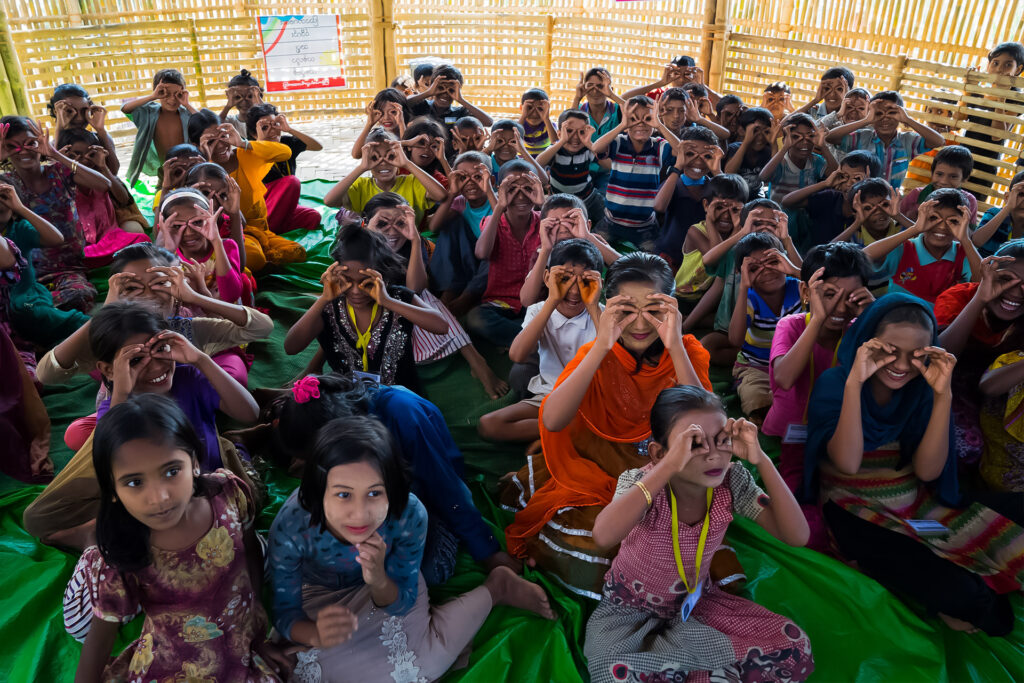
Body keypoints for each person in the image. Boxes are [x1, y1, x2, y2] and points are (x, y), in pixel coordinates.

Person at [268, 415, 554, 682]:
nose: (360, 514)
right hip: (318, 594)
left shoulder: (408, 514)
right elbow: (284, 610)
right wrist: (313, 633)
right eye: (343, 494)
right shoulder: (293, 523)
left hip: (388, 580)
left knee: (418, 664)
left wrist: (379, 578)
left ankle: (496, 589)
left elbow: (401, 600)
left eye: (374, 493)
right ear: (319, 492)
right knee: (300, 668)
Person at [806, 293, 1022, 636]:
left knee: (1016, 507)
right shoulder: (835, 384)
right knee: (965, 595)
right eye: (890, 350)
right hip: (854, 510)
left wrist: (942, 395)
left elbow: (927, 472)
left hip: (916, 501)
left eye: (916, 355)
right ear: (866, 343)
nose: (902, 366)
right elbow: (847, 463)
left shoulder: (921, 388)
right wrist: (854, 383)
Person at [503, 252, 712, 597]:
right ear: (609, 307)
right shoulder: (597, 351)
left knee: (668, 540)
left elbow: (703, 428)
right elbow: (553, 420)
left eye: (655, 311)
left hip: (663, 466)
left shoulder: (687, 351)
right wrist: (602, 344)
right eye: (627, 310)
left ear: (672, 309)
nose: (641, 324)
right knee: (597, 542)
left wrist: (675, 344)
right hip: (596, 464)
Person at [585, 385, 813, 683]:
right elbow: (604, 535)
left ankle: (686, 666)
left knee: (795, 646)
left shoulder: (732, 482)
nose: (713, 456)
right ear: (660, 452)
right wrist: (666, 467)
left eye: (722, 441)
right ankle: (700, 668)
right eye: (694, 444)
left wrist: (762, 460)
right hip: (629, 614)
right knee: (615, 672)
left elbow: (797, 535)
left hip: (698, 606)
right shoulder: (642, 483)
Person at [68, 394, 287, 681]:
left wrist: (256, 631)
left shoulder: (228, 493)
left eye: (172, 471)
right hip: (171, 666)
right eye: (134, 482)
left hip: (240, 647)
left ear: (195, 462)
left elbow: (250, 551)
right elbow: (98, 642)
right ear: (112, 491)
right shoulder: (120, 557)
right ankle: (86, 544)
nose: (159, 497)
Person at [23, 299, 262, 550]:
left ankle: (95, 531)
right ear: (108, 369)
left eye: (161, 349)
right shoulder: (114, 405)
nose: (156, 366)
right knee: (37, 517)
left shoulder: (188, 378)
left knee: (188, 523)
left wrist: (201, 359)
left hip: (201, 489)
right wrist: (122, 392)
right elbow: (108, 458)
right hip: (146, 493)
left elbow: (250, 412)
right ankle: (98, 529)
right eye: (136, 360)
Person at [247, 372, 519, 583]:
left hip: (422, 493)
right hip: (377, 494)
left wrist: (489, 553)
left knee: (429, 571)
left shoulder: (403, 416)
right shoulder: (332, 413)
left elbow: (446, 488)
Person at [764, 243, 874, 547]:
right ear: (805, 292)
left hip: (834, 439)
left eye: (850, 298)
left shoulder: (858, 332)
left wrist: (871, 318)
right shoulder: (791, 325)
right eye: (829, 295)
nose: (840, 308)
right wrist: (817, 318)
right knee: (798, 511)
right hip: (790, 438)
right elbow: (784, 378)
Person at [360, 192, 507, 398]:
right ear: (365, 224)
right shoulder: (356, 248)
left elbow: (416, 288)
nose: (392, 231)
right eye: (382, 224)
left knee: (426, 298)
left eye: (400, 223)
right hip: (373, 320)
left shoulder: (413, 241)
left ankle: (477, 362)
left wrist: (413, 240)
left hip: (410, 311)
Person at [283, 222, 448, 391]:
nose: (356, 291)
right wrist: (323, 299)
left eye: (365, 282)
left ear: (382, 275)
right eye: (347, 280)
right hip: (347, 400)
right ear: (336, 274)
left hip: (400, 398)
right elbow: (291, 347)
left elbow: (441, 326)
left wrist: (387, 302)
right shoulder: (330, 305)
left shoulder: (398, 297)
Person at [478, 238, 603, 443]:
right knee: (488, 425)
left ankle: (565, 431)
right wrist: (552, 300)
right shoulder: (539, 310)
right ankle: (568, 430)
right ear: (548, 278)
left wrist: (592, 305)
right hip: (549, 395)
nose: (573, 291)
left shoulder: (602, 316)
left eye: (585, 282)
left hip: (591, 402)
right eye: (564, 279)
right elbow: (517, 355)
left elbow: (614, 358)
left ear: (598, 284)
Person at [0, 116, 110, 313]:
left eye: (30, 143)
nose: (24, 151)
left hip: (68, 269)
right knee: (19, 306)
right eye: (12, 146)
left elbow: (104, 184)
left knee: (78, 296)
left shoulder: (59, 172)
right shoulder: (6, 184)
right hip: (25, 273)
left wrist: (54, 154)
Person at [936, 243, 1024, 471]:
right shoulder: (960, 297)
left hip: (1000, 400)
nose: (1015, 292)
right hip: (946, 387)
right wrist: (980, 300)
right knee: (965, 448)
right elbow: (941, 357)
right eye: (1006, 279)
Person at [188, 109, 306, 271]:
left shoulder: (243, 154)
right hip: (223, 233)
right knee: (253, 258)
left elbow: (285, 152)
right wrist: (205, 159)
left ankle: (259, 257)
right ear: (196, 145)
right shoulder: (198, 171)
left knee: (297, 253)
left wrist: (243, 142)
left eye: (223, 137)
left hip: (256, 229)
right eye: (211, 142)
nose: (221, 145)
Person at [0, 182, 89, 348]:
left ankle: (91, 328)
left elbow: (56, 239)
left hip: (25, 296)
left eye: (3, 197)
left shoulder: (19, 229)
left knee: (33, 313)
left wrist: (21, 208)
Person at [465, 162, 544, 348]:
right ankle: (534, 341)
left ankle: (520, 340)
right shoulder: (493, 221)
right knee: (476, 318)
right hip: (501, 303)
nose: (520, 195)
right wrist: (500, 206)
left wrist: (543, 204)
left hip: (537, 302)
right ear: (500, 190)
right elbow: (482, 253)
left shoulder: (545, 220)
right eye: (512, 189)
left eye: (528, 188)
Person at [728, 232, 803, 424]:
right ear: (742, 273)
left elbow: (826, 286)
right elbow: (735, 340)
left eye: (772, 262)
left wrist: (793, 269)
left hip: (795, 362)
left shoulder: (800, 288)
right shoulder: (750, 298)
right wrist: (743, 287)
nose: (766, 271)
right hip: (756, 366)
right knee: (757, 401)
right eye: (754, 268)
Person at [862, 189, 981, 302]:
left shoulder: (964, 253)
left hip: (942, 322)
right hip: (897, 317)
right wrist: (916, 229)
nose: (942, 227)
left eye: (953, 221)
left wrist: (965, 239)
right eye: (933, 218)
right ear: (922, 217)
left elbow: (984, 282)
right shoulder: (905, 248)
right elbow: (863, 256)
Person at [591, 96, 679, 248]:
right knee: (593, 250)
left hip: (644, 226)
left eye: (647, 118)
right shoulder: (618, 142)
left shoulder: (658, 146)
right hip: (611, 221)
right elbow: (596, 148)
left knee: (652, 262)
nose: (640, 123)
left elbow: (681, 151)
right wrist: (622, 125)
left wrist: (659, 125)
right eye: (633, 119)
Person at [56, 128, 150, 267]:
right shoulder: (59, 179)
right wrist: (65, 164)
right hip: (82, 246)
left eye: (90, 154)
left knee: (141, 239)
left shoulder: (101, 176)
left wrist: (104, 167)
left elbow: (123, 199)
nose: (83, 159)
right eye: (76, 155)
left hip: (111, 239)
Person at [324, 128, 447, 225]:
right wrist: (361, 168)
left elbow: (442, 196)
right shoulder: (361, 186)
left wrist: (407, 164)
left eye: (390, 157)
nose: (383, 162)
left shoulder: (412, 182)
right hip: (374, 245)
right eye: (374, 158)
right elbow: (329, 201)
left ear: (399, 157)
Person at [826, 91, 945, 189]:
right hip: (858, 197)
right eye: (878, 113)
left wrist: (908, 120)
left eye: (892, 113)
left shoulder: (907, 142)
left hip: (887, 202)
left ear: (901, 114)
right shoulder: (862, 137)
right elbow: (830, 137)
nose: (885, 118)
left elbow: (938, 141)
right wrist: (866, 120)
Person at [673, 174, 748, 326]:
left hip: (711, 298)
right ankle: (689, 322)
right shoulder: (695, 231)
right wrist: (710, 221)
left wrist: (737, 231)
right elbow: (716, 260)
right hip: (684, 296)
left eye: (734, 210)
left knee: (731, 317)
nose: (726, 215)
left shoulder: (741, 234)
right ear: (706, 205)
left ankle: (691, 320)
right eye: (719, 207)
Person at [156, 188, 251, 307]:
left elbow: (230, 296)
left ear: (211, 220)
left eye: (197, 222)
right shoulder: (167, 254)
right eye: (177, 225)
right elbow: (159, 297)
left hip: (223, 318)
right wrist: (168, 251)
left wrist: (216, 241)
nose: (189, 233)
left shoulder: (227, 247)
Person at [428, 151, 493, 316]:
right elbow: (434, 227)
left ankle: (467, 297)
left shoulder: (498, 202)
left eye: (477, 177)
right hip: (467, 261)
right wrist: (452, 193)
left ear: (490, 180)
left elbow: (506, 226)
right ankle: (449, 289)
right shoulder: (460, 203)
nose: (470, 183)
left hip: (491, 263)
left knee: (497, 245)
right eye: (463, 178)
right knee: (451, 224)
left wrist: (491, 192)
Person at [959, 42, 1024, 199]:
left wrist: (1001, 98)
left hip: (986, 161)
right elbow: (959, 118)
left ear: (1018, 70)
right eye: (995, 63)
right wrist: (968, 88)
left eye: (1008, 64)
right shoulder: (980, 90)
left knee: (973, 202)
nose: (999, 69)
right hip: (965, 153)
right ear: (988, 66)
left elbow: (996, 135)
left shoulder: (1016, 98)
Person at [247, 102, 324, 233]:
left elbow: (317, 146)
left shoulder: (286, 143)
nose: (272, 130)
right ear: (254, 134)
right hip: (261, 209)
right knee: (291, 182)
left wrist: (289, 129)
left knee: (313, 217)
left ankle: (273, 228)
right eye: (264, 127)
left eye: (275, 125)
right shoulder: (250, 150)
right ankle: (265, 229)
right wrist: (261, 141)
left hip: (284, 208)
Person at [654, 125, 724, 266]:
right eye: (690, 154)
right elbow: (659, 206)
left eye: (706, 156)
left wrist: (717, 170)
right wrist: (678, 166)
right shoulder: (674, 182)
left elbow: (732, 199)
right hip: (669, 257)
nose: (698, 161)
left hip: (702, 259)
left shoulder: (715, 185)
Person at [780, 150, 877, 248]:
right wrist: (825, 183)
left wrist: (867, 188)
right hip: (819, 259)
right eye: (844, 177)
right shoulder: (830, 198)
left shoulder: (874, 208)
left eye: (857, 179)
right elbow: (787, 202)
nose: (848, 184)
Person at [535, 109, 608, 232]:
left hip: (588, 197)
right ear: (559, 134)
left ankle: (594, 236)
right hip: (559, 201)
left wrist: (590, 143)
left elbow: (609, 165)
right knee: (555, 224)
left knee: (607, 217)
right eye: (569, 131)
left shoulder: (587, 149)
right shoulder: (555, 150)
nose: (575, 137)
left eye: (581, 132)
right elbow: (539, 162)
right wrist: (561, 141)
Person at [121, 68, 198, 186]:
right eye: (165, 93)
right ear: (157, 92)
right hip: (163, 169)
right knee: (163, 196)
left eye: (177, 94)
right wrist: (152, 97)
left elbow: (204, 121)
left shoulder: (187, 114)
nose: (172, 99)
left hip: (189, 167)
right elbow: (125, 109)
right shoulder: (149, 113)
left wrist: (187, 104)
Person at [408, 64, 494, 151]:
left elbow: (488, 122)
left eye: (451, 90)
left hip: (450, 160)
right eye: (440, 88)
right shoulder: (422, 105)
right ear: (433, 86)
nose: (445, 94)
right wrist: (429, 92)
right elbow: (402, 102)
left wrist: (461, 100)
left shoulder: (460, 113)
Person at [759, 112, 836, 205]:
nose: (804, 142)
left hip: (807, 216)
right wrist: (785, 148)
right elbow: (763, 177)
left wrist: (823, 146)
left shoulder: (815, 161)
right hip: (780, 216)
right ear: (785, 140)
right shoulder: (781, 162)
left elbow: (835, 174)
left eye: (810, 136)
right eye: (796, 137)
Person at [571, 67, 625, 194]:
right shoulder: (579, 110)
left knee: (605, 199)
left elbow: (633, 111)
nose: (595, 90)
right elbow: (569, 127)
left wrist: (611, 95)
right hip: (582, 169)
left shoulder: (617, 110)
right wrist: (577, 98)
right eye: (590, 86)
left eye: (600, 86)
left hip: (609, 171)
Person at [897, 145, 978, 223]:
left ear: (965, 178)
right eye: (939, 174)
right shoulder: (916, 195)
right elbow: (896, 220)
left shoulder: (969, 201)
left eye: (953, 176)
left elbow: (970, 234)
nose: (944, 181)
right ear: (932, 173)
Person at [723, 106, 774, 200]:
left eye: (766, 131)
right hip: (733, 197)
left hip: (756, 198)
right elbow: (728, 173)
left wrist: (773, 143)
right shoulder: (735, 148)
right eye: (755, 131)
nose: (760, 136)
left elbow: (773, 177)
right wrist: (746, 142)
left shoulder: (768, 151)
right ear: (742, 131)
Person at [972, 171, 1024, 256]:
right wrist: (1008, 207)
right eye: (1021, 194)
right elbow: (976, 241)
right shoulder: (995, 214)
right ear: (1007, 197)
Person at [219, 68, 264, 137]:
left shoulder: (263, 121)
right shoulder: (230, 121)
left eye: (250, 96)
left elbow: (273, 120)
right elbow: (214, 127)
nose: (244, 102)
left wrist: (259, 102)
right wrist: (228, 106)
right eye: (238, 97)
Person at [519, 88, 557, 156]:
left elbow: (556, 144)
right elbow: (512, 138)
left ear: (547, 109)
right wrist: (523, 116)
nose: (535, 114)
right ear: (522, 108)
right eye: (529, 108)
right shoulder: (519, 125)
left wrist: (546, 118)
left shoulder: (549, 126)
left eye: (540, 109)